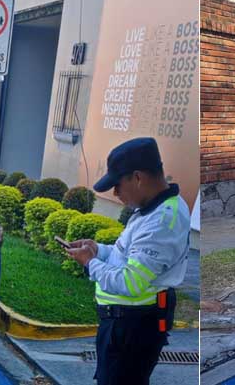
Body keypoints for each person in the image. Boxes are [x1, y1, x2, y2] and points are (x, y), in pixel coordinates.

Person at [65, 137, 190, 385]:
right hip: (124, 324)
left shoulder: (161, 221)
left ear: (138, 178)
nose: (115, 193)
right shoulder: (149, 210)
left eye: (118, 185)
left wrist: (90, 263)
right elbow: (125, 255)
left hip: (134, 327)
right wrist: (98, 249)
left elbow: (130, 283)